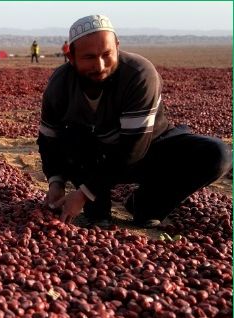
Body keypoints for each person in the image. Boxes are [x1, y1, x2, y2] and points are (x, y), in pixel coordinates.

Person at [38, 14, 232, 228]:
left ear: (118, 47)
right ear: (71, 57)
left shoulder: (139, 73)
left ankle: (146, 204)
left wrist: (84, 193)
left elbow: (133, 146)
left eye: (106, 54)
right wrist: (55, 181)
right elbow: (49, 140)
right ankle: (98, 208)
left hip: (148, 149)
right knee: (71, 137)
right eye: (89, 57)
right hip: (92, 157)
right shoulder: (59, 85)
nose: (100, 65)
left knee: (217, 155)